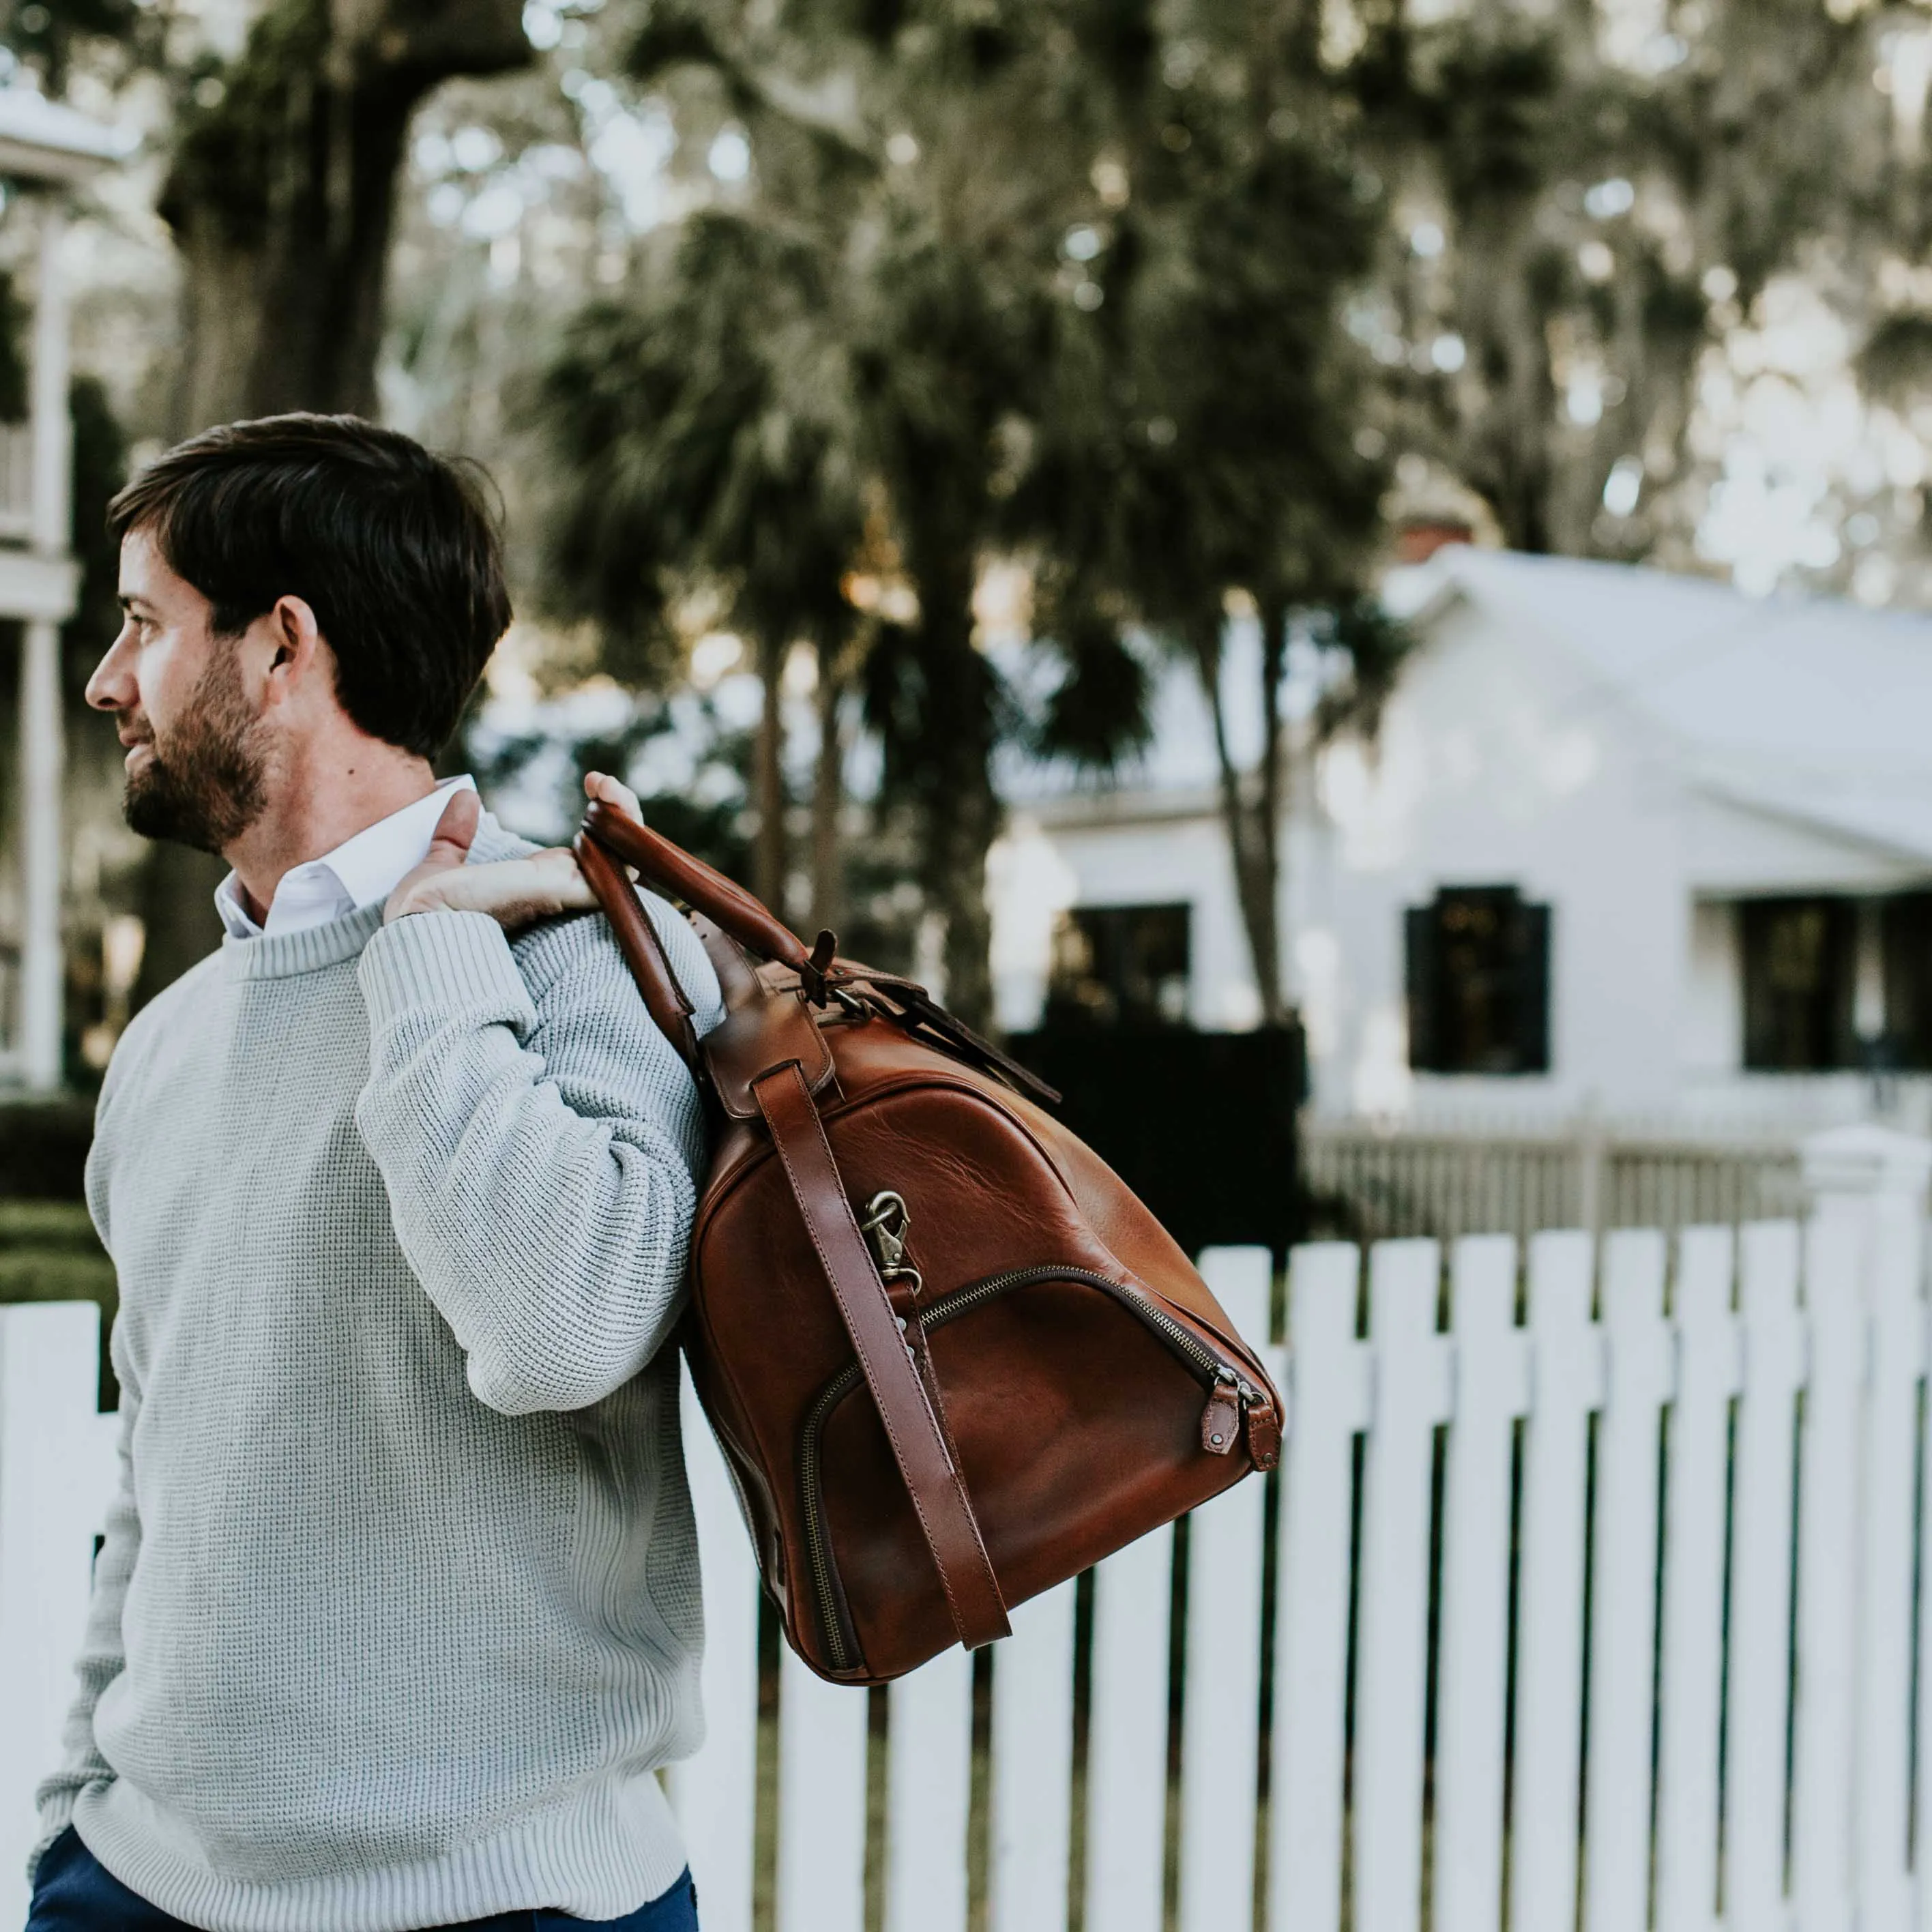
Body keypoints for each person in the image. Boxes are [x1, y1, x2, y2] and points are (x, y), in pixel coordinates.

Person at [25, 413, 722, 1932]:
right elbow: (161, 1479)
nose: (106, 680)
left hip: (512, 1907)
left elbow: (560, 1329)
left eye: (143, 624)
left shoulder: (602, 964)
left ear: (281, 648)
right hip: (135, 1889)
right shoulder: (167, 1043)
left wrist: (425, 951)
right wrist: (73, 1821)